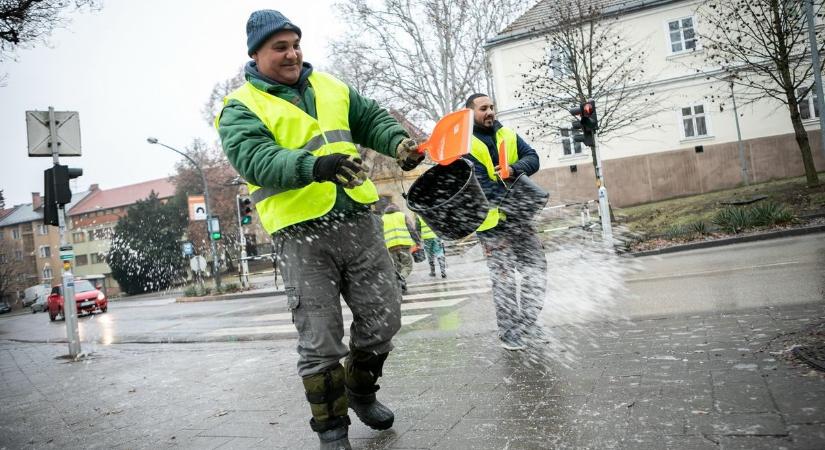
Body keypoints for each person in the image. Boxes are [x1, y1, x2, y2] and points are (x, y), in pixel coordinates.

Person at [215, 10, 424, 450]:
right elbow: (257, 159)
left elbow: (371, 120)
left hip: (359, 223)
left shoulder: (331, 86)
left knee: (384, 319)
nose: (292, 54)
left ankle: (361, 393)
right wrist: (316, 166)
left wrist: (399, 143)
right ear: (256, 52)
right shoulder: (239, 107)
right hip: (301, 233)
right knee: (320, 339)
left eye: (295, 44)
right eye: (280, 47)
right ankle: (331, 431)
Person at [464, 93, 547, 351]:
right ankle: (510, 333)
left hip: (518, 217)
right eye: (483, 108)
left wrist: (513, 168)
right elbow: (477, 185)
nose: (489, 112)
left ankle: (529, 325)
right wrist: (509, 197)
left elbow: (533, 158)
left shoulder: (507, 135)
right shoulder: (464, 144)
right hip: (491, 225)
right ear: (470, 113)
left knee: (536, 270)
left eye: (491, 107)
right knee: (504, 279)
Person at [382, 204, 418, 293]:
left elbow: (378, 233)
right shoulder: (402, 216)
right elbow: (411, 229)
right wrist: (417, 241)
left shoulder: (382, 218)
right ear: (397, 209)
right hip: (404, 244)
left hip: (391, 245)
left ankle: (401, 284)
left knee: (397, 266)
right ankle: (402, 278)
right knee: (407, 266)